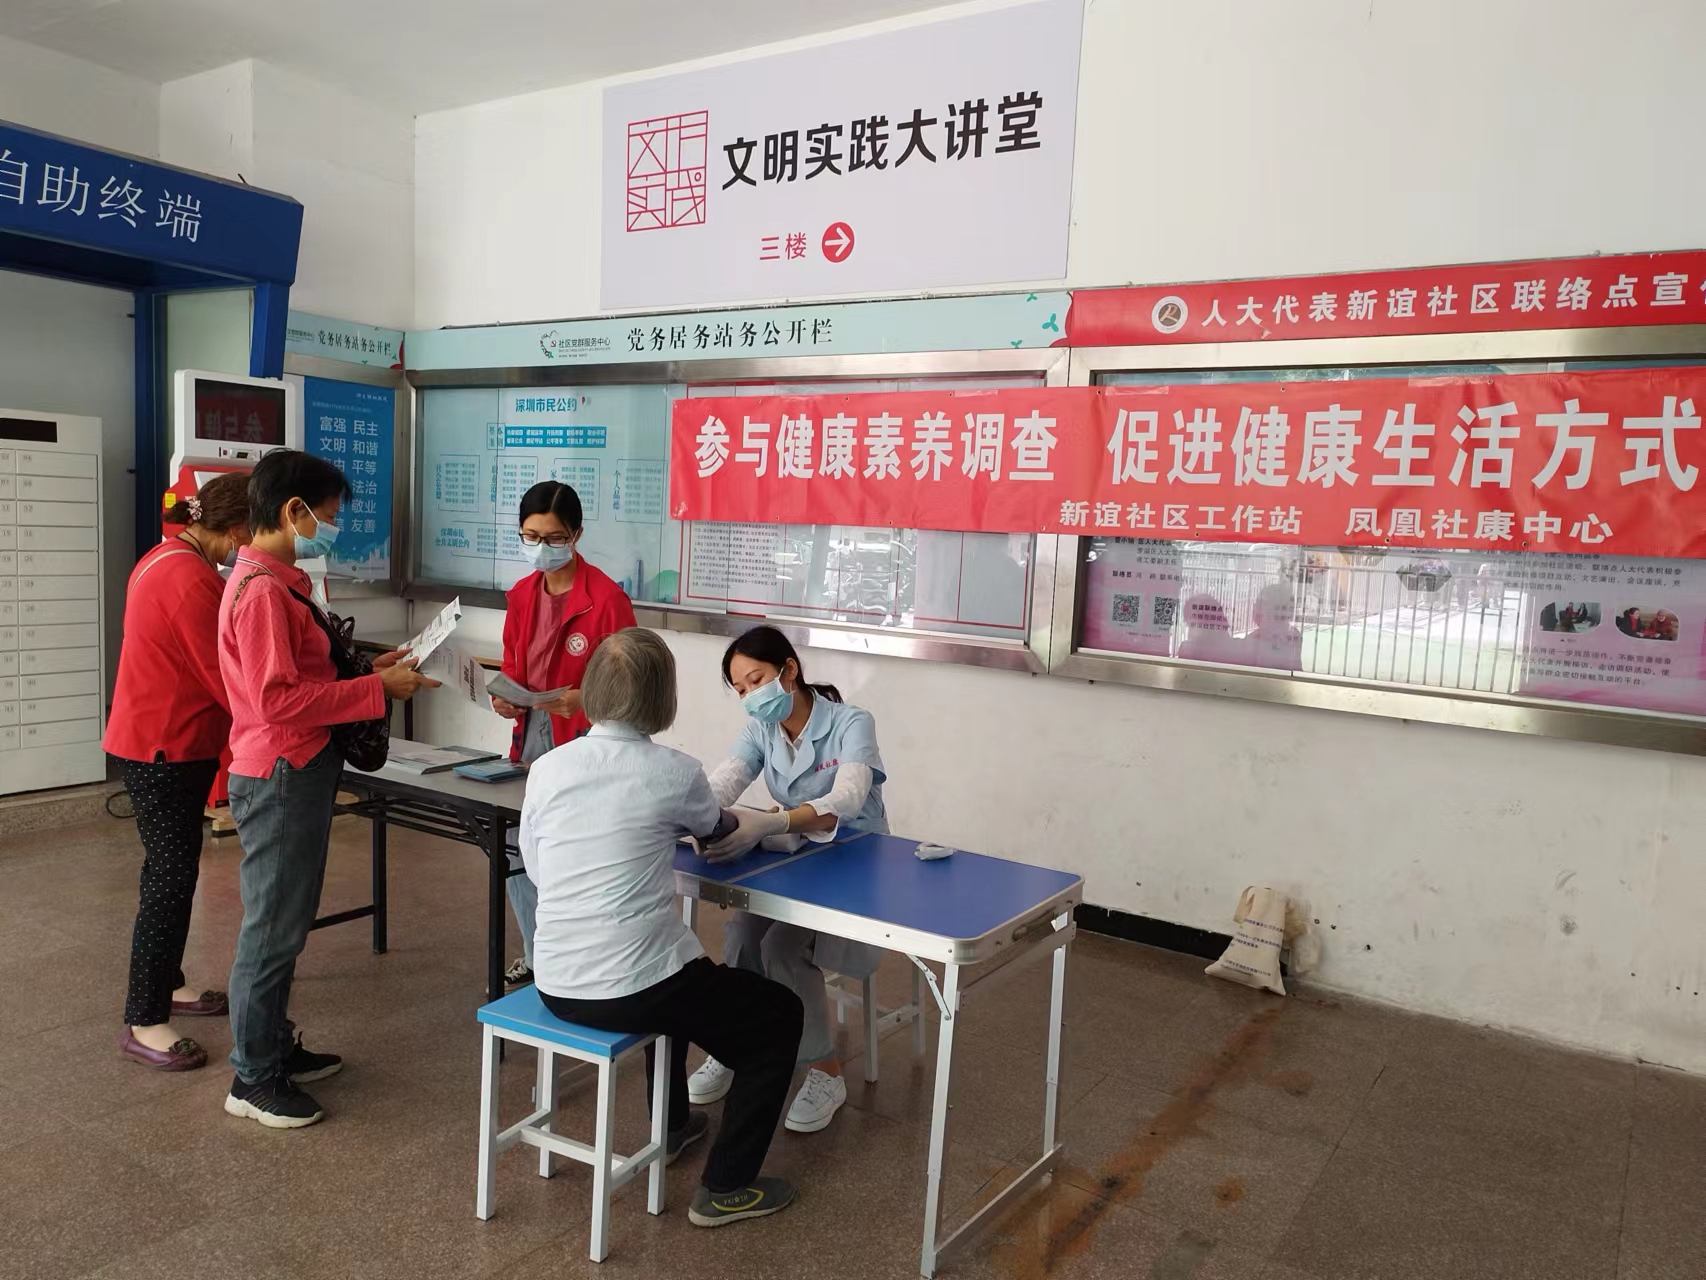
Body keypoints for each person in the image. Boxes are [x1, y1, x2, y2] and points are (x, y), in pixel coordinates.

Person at [522, 627, 804, 1228]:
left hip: (556, 979)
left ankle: (672, 1127)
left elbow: (540, 868)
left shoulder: (546, 769)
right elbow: (716, 830)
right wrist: (766, 823)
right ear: (662, 698)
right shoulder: (674, 771)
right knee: (778, 1016)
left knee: (679, 975)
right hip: (634, 986)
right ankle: (727, 1186)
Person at [219, 450, 436, 1129]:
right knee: (272, 928)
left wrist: (371, 668)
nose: (332, 529)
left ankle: (274, 1046)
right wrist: (377, 690)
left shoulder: (276, 582)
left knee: (285, 920)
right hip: (281, 769)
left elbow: (304, 674)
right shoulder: (262, 592)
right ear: (294, 511)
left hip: (298, 767)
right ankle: (252, 1076)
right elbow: (277, 700)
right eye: (329, 516)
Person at [689, 625, 888, 1135]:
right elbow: (725, 781)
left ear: (789, 670)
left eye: (756, 680)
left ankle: (826, 1072)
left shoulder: (851, 722)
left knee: (781, 946)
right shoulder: (760, 731)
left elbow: (846, 799)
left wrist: (773, 821)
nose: (751, 696)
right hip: (798, 862)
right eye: (740, 689)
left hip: (855, 864)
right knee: (740, 934)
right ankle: (736, 1046)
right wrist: (691, 812)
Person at [105, 474, 252, 1072]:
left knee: (171, 871)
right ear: (237, 529)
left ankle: (169, 984)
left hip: (152, 739)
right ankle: (144, 1020)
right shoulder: (191, 580)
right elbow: (223, 676)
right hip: (165, 747)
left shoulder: (164, 557)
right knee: (168, 879)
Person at [491, 480, 636, 988]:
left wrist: (585, 700)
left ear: (576, 534)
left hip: (586, 742)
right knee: (517, 844)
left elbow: (631, 683)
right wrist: (505, 698)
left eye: (553, 538)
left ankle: (580, 958)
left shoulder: (606, 599)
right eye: (531, 537)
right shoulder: (522, 595)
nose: (541, 548)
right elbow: (513, 667)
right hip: (532, 735)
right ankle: (538, 954)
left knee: (575, 853)